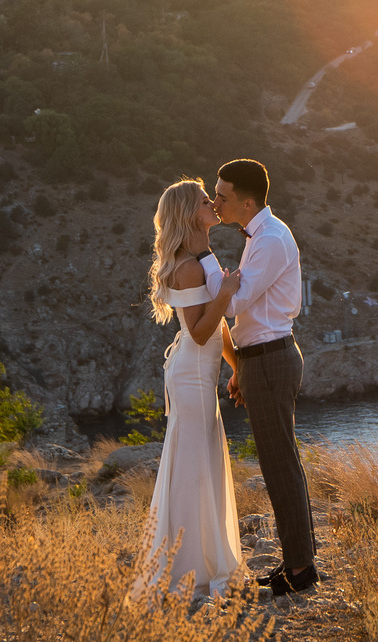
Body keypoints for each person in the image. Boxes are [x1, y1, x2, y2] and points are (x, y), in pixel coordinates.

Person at [135, 177, 245, 602]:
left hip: (198, 373)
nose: (213, 204)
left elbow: (214, 328)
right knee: (195, 465)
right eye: (205, 201)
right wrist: (228, 293)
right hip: (192, 373)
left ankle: (195, 559)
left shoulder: (197, 259)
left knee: (201, 461)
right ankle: (191, 567)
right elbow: (202, 332)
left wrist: (239, 370)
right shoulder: (189, 266)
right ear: (190, 214)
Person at [213, 156, 317, 595]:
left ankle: (300, 571)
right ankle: (297, 563)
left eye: (222, 195)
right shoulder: (261, 236)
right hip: (262, 359)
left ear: (247, 199)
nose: (215, 202)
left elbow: (235, 304)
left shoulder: (271, 239)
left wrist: (205, 266)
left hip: (271, 360)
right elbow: (247, 306)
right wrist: (243, 367)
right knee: (280, 465)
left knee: (280, 467)